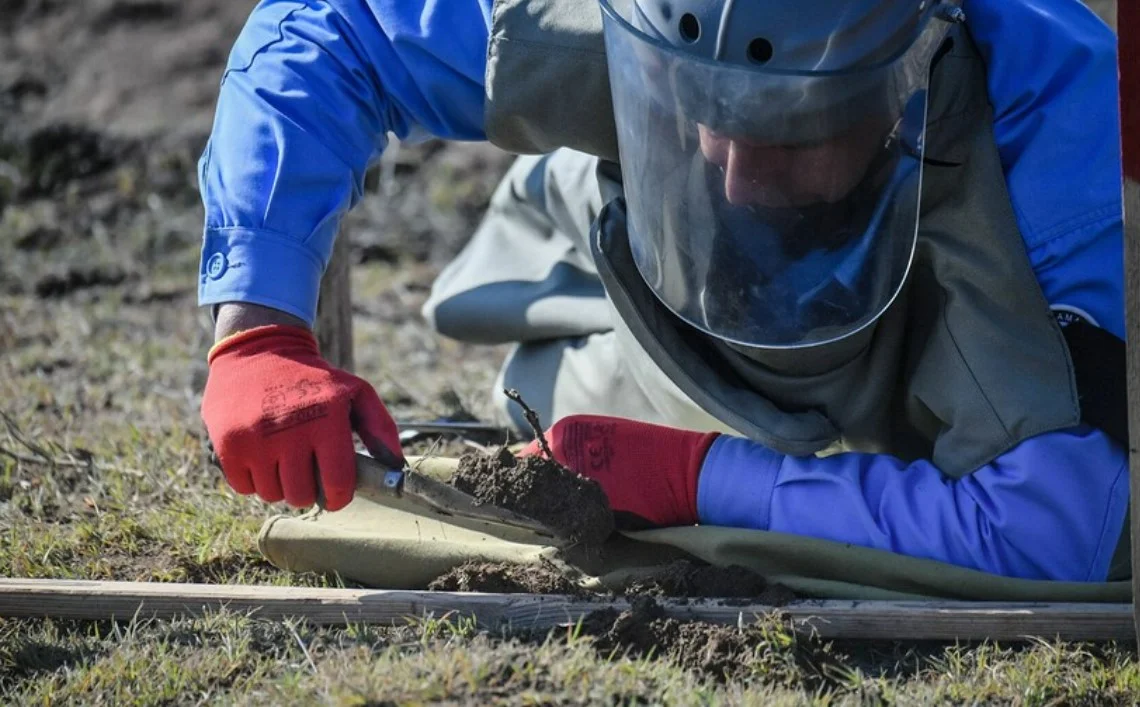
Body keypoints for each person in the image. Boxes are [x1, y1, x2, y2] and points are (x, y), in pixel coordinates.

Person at [197, 0, 1128, 582]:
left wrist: (704, 480)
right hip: (641, 301)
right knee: (551, 391)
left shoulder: (1060, 143)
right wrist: (258, 328)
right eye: (708, 117)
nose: (738, 178)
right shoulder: (619, 19)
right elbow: (327, 27)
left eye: (793, 130)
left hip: (918, 349)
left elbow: (1065, 525)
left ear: (911, 73)